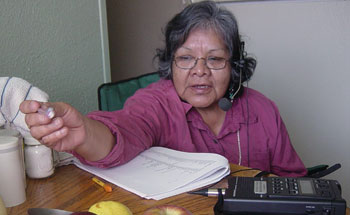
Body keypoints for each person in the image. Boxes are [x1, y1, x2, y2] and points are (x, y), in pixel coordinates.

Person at [20, 0, 307, 177]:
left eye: (215, 59)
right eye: (185, 58)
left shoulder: (263, 110)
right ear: (170, 65)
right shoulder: (155, 103)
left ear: (234, 65)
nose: (199, 71)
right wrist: (84, 134)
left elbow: (293, 179)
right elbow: (125, 129)